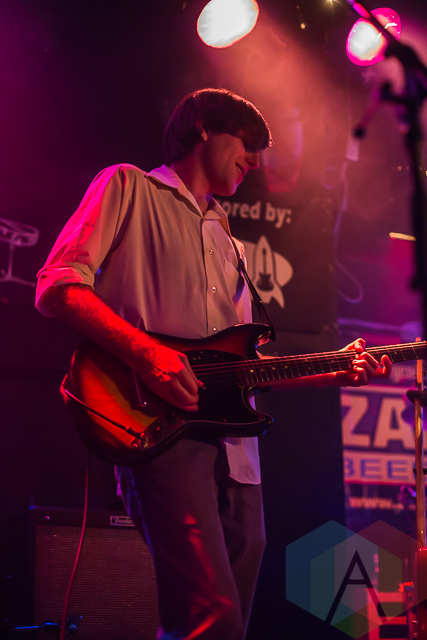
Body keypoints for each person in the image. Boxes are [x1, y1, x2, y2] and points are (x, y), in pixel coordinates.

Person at [35, 88, 392, 640]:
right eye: (249, 143)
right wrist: (147, 353)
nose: (257, 162)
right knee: (209, 619)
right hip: (158, 427)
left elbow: (241, 369)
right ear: (204, 127)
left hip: (237, 453)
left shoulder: (232, 245)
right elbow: (56, 285)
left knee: (224, 623)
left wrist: (333, 371)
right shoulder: (129, 186)